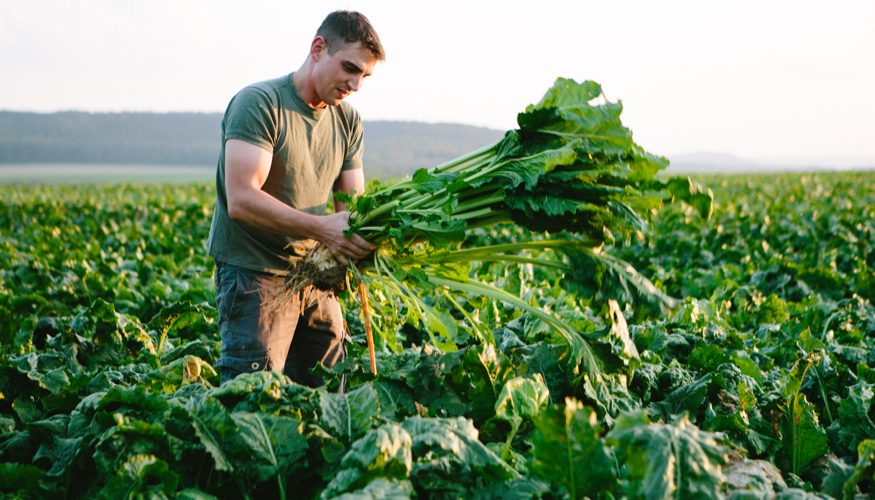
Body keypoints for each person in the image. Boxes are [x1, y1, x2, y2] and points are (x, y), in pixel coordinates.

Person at [206, 11, 384, 387]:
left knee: (330, 393)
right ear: (318, 49)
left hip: (315, 276)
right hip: (255, 277)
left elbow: (352, 208)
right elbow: (240, 199)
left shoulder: (348, 120)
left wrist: (367, 237)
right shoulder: (260, 103)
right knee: (255, 402)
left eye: (364, 76)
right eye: (349, 68)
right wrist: (324, 230)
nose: (355, 84)